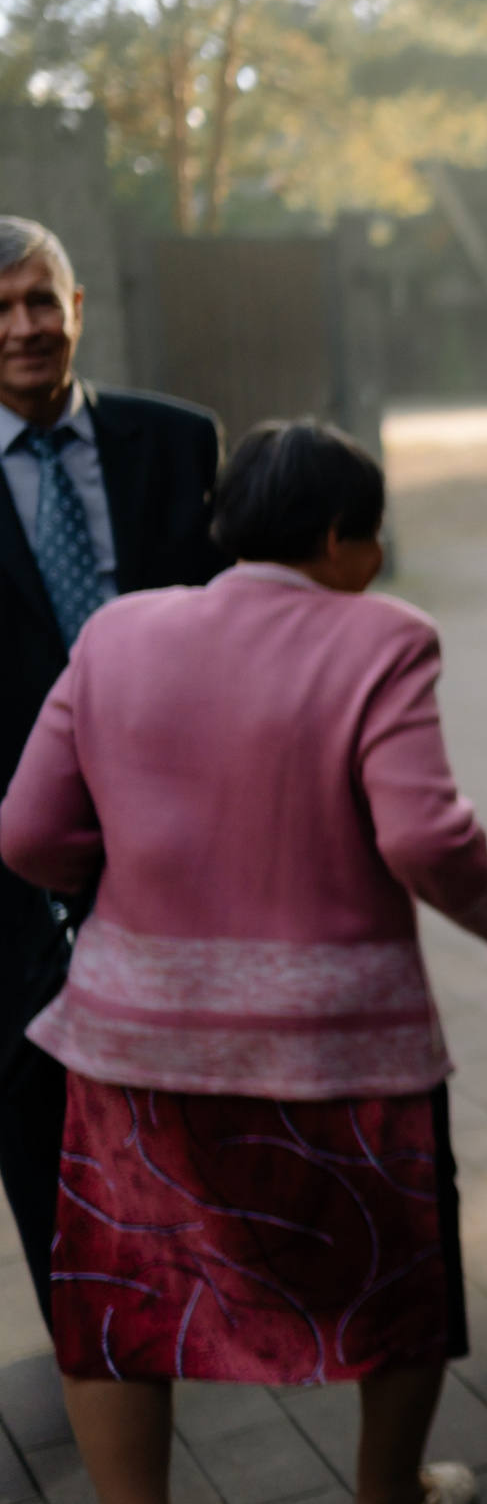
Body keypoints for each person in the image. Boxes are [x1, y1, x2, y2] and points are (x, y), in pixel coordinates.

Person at [0, 418, 487, 1504]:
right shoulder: (383, 637)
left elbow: (27, 832)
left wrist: (122, 873)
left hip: (132, 1037)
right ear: (336, 535)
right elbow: (425, 835)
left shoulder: (118, 630)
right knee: (399, 1272)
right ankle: (386, 1487)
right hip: (337, 1046)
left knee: (118, 1291)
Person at [0, 216, 224, 1329]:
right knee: (36, 1106)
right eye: (1, 308)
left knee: (203, 1097)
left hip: (185, 846)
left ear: (78, 307)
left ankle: (211, 1302)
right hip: (11, 865)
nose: (24, 326)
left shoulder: (180, 443)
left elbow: (246, 630)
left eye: (42, 299)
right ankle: (89, 1337)